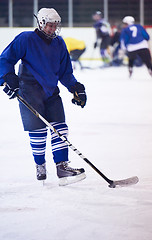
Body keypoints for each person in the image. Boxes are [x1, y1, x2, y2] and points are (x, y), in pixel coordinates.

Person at [0, 8, 87, 186]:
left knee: (60, 128)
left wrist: (76, 87)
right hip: (29, 90)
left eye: (55, 26)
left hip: (51, 91)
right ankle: (40, 165)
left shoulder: (60, 43)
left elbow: (65, 72)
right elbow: (5, 60)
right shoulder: (25, 38)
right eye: (49, 25)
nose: (52, 29)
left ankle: (62, 167)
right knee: (38, 131)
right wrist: (8, 77)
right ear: (40, 23)